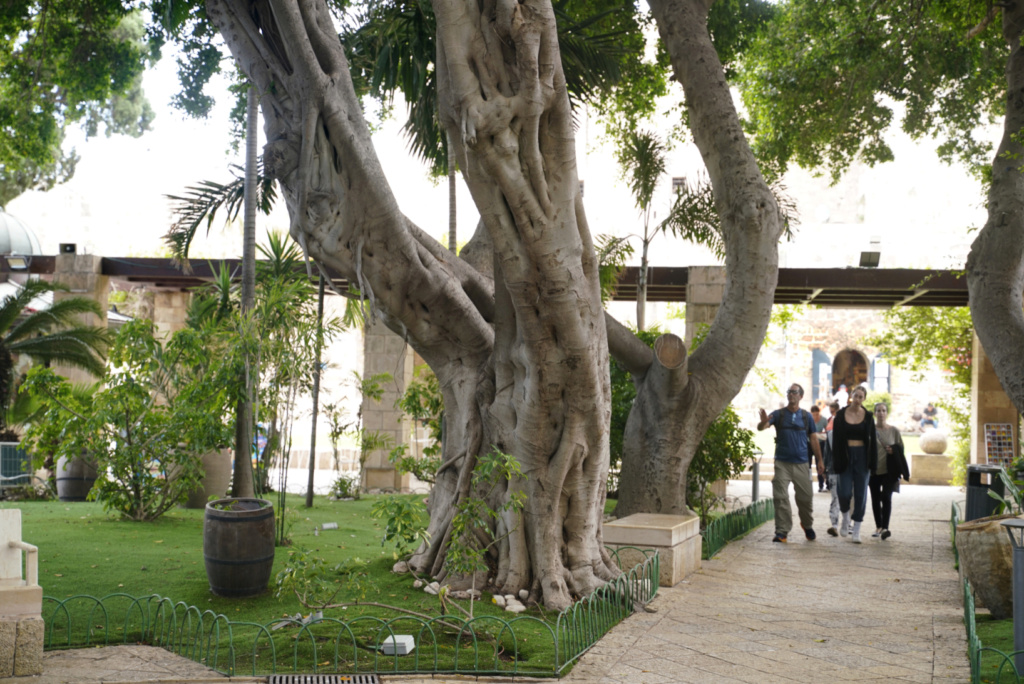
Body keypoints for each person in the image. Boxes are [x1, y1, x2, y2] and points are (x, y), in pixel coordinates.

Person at [758, 384, 825, 543]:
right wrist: (762, 422)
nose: (790, 394)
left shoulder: (806, 416)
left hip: (802, 463)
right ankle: (782, 532)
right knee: (780, 496)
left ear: (800, 396)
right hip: (782, 462)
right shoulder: (778, 414)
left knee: (806, 499)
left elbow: (814, 439)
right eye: (789, 392)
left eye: (794, 392)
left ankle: (807, 525)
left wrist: (820, 460)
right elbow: (763, 427)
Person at [831, 386, 877, 543]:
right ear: (851, 396)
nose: (857, 399)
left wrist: (873, 463)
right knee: (843, 492)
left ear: (864, 399)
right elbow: (836, 441)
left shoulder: (869, 416)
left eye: (861, 397)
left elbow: (873, 442)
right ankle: (845, 517)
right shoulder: (840, 415)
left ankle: (857, 528)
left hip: (863, 457)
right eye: (855, 396)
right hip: (845, 456)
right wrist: (835, 460)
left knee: (860, 494)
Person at [870, 402, 910, 540]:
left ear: (887, 413)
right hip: (874, 470)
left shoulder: (894, 431)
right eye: (878, 411)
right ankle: (878, 526)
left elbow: (901, 449)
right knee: (875, 498)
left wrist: (894, 450)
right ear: (875, 413)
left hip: (890, 470)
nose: (881, 413)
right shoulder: (870, 430)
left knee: (886, 497)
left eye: (883, 410)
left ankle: (885, 527)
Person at [824, 400, 842, 535]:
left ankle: (849, 524)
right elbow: (827, 453)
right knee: (835, 498)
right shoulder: (830, 434)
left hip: (848, 470)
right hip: (834, 469)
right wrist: (825, 469)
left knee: (849, 498)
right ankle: (834, 525)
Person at [810, 405, 828, 492]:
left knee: (819, 464)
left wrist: (821, 434)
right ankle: (808, 483)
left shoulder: (823, 420)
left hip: (820, 443)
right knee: (807, 464)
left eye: (817, 414)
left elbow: (828, 430)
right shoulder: (809, 420)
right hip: (809, 443)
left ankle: (821, 484)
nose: (815, 417)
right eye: (813, 415)